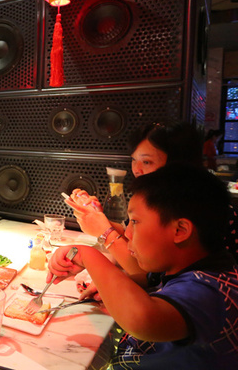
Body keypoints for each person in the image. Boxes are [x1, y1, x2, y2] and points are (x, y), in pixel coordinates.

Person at [49, 164, 238, 369]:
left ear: (180, 230)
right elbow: (146, 279)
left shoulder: (214, 292)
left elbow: (143, 320)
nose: (128, 233)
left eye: (135, 222)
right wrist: (111, 286)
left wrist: (87, 254)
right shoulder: (178, 266)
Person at [67, 122, 238, 290]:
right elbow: (133, 239)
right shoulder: (157, 199)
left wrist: (104, 232)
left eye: (147, 162)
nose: (137, 170)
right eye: (134, 160)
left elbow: (144, 270)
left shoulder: (197, 208)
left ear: (177, 165)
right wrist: (94, 217)